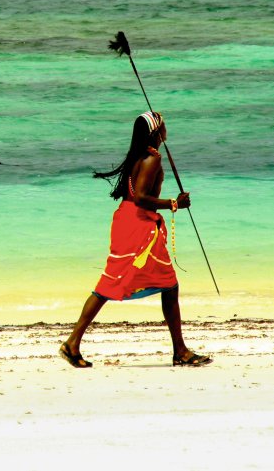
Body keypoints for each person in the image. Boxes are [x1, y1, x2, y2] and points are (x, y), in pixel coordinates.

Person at [60, 111, 212, 368]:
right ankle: (180, 352)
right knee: (123, 284)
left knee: (160, 285)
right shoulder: (151, 160)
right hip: (138, 226)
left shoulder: (141, 156)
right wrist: (174, 203)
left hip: (129, 220)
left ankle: (73, 344)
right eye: (164, 125)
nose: (167, 128)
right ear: (157, 132)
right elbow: (141, 198)